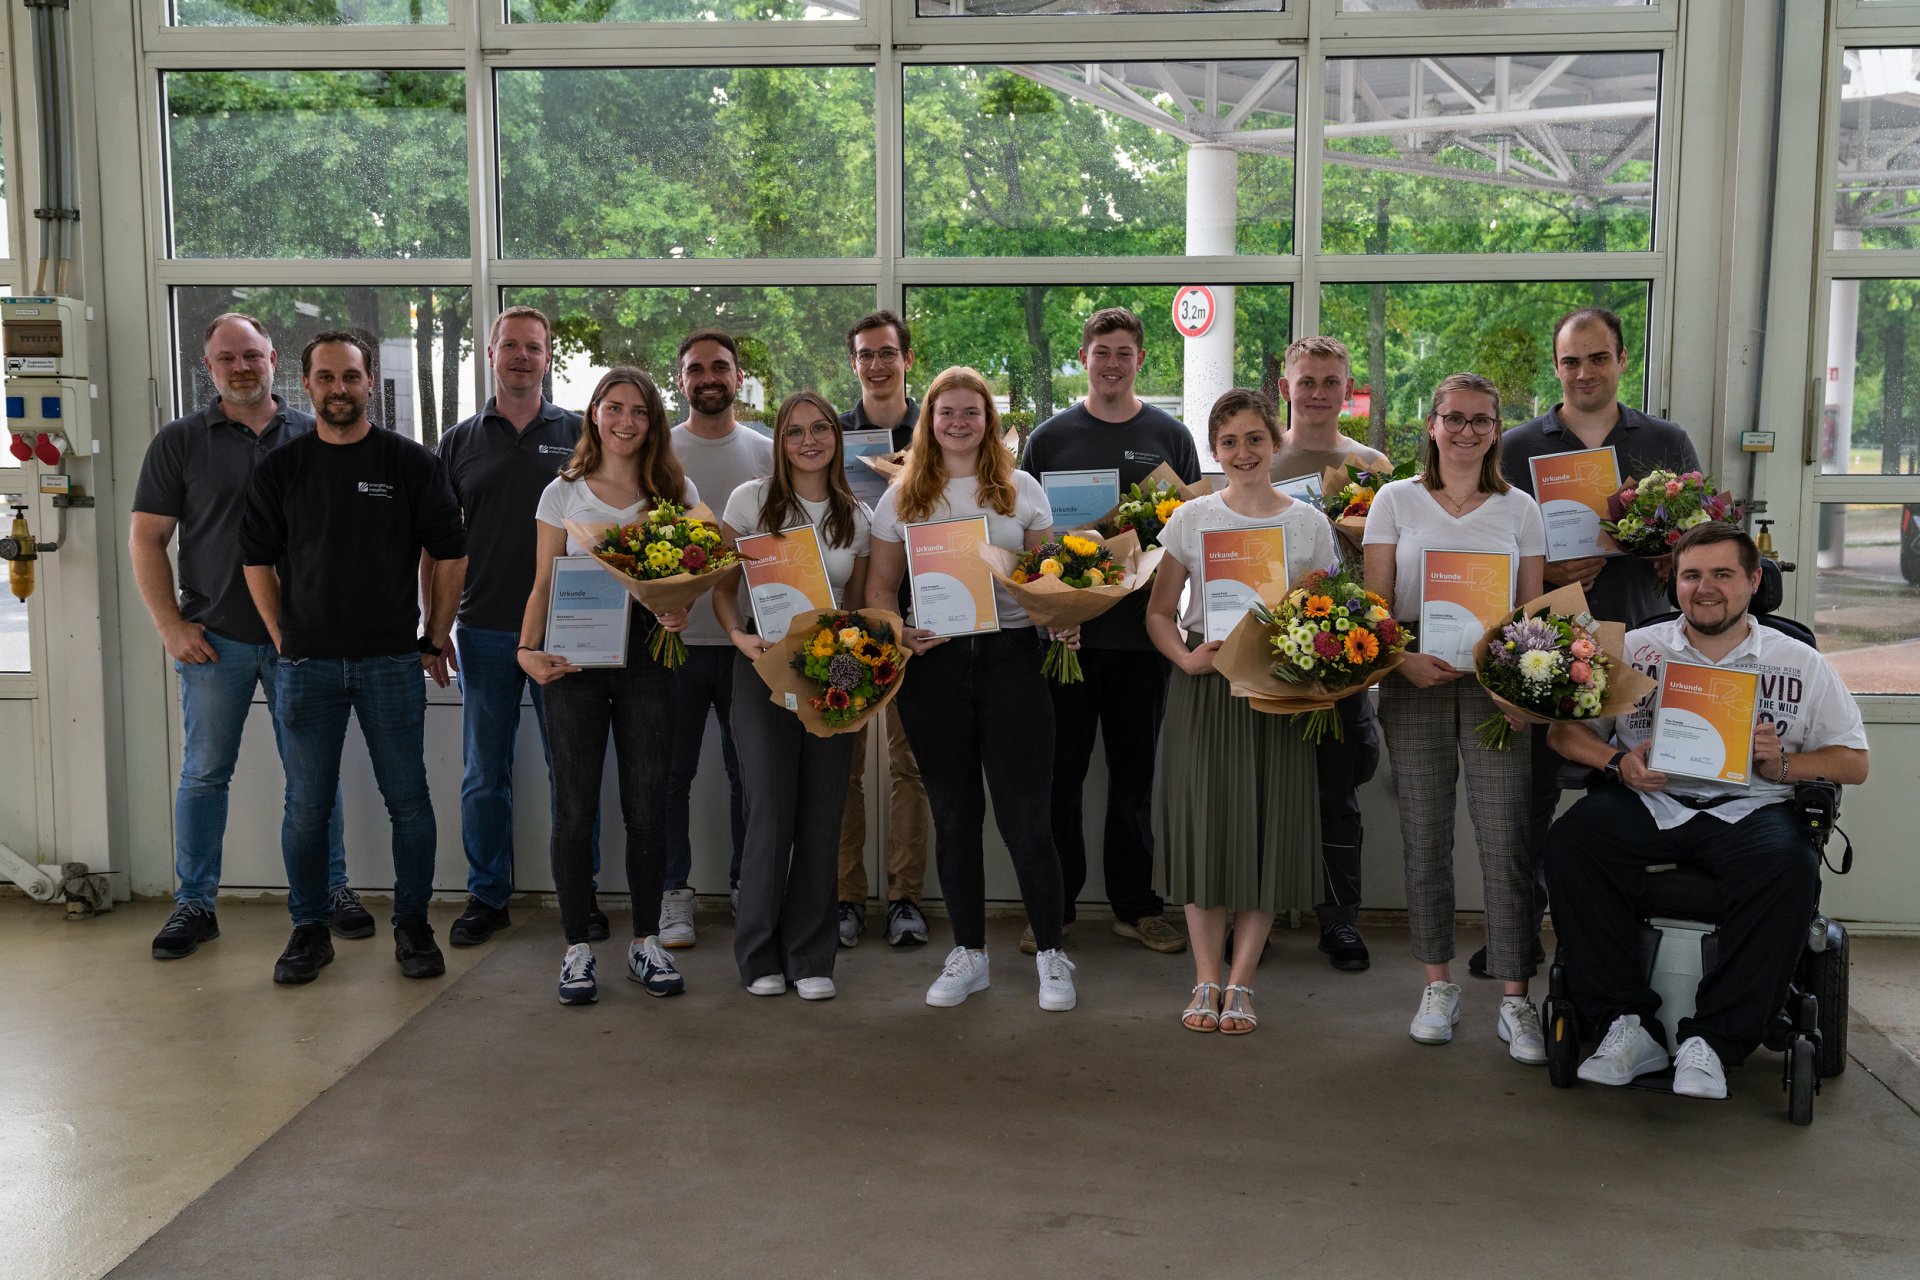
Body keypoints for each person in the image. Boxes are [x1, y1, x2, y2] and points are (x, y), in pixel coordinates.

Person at [1544, 523, 1869, 1099]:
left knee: (1790, 865)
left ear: (1753, 581)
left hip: (1751, 807)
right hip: (1652, 798)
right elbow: (1565, 734)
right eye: (1692, 575)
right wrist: (1616, 763)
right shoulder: (1636, 650)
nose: (1706, 588)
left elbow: (1853, 761)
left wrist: (1785, 767)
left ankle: (1714, 1041)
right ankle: (1625, 1023)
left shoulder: (1799, 662)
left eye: (1723, 574)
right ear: (1674, 583)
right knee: (1573, 842)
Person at [130, 312, 368, 960]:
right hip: (218, 639)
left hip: (303, 643)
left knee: (312, 777)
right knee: (205, 773)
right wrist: (169, 625)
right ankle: (195, 903)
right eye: (227, 359)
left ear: (273, 361)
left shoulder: (314, 433)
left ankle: (332, 891)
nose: (241, 367)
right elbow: (147, 539)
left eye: (252, 356)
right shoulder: (180, 442)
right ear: (209, 368)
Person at [239, 330, 468, 986]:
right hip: (306, 666)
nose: (339, 389)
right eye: (327, 378)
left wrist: (435, 632)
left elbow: (451, 552)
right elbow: (255, 558)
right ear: (307, 385)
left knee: (408, 802)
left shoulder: (410, 463)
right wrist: (283, 637)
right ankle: (309, 931)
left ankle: (413, 926)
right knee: (306, 806)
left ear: (370, 383)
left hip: (391, 662)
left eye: (351, 377)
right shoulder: (281, 468)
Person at [1491, 307, 1703, 980]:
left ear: (1620, 360)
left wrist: (1673, 556)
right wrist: (1544, 573)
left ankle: (1624, 939)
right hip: (1545, 647)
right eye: (1571, 361)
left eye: (1597, 358)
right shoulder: (1519, 446)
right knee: (1527, 806)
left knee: (1639, 791)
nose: (1584, 372)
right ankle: (1517, 940)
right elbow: (1492, 545)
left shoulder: (1665, 441)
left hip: (1641, 641)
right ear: (1557, 368)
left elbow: (1699, 537)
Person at [865, 365, 1077, 1013]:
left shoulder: (1021, 489)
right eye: (946, 412)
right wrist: (898, 630)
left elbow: (1049, 576)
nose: (958, 422)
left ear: (989, 419)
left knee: (1027, 820)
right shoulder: (902, 497)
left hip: (1013, 663)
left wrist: (1063, 616)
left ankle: (1051, 953)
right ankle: (970, 954)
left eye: (972, 412)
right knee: (955, 818)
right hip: (934, 669)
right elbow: (878, 590)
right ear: (928, 421)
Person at [1362, 372, 1547, 1061]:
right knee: (1425, 835)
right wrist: (1400, 660)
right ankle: (1436, 984)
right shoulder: (1394, 500)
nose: (1467, 431)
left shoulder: (1519, 508)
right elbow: (1375, 604)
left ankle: (1514, 997)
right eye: (1454, 418)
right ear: (1432, 426)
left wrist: (1519, 692)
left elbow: (1531, 616)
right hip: (1415, 679)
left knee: (1505, 842)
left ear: (1497, 431)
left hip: (1494, 690)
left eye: (1481, 420)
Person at [1145, 389, 1332, 1036]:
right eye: (1229, 442)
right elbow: (1159, 612)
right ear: (1214, 450)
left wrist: (1309, 650)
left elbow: (1330, 617)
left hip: (1277, 687)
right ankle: (1205, 976)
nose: (1243, 452)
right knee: (1206, 829)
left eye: (1255, 438)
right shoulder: (1193, 518)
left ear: (1275, 442)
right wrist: (1186, 660)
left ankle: (1242, 982)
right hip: (1205, 685)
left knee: (1263, 828)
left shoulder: (1309, 525)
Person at [1019, 306, 1200, 958]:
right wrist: (1049, 610)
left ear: (1140, 360)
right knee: (1059, 781)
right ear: (1085, 358)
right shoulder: (1050, 438)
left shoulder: (1169, 435)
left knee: (1134, 783)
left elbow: (1186, 532)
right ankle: (1055, 906)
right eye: (1102, 353)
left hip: (1139, 637)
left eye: (1125, 353)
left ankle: (1136, 906)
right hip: (1066, 642)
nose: (1113, 364)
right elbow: (1027, 541)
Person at [517, 368, 696, 1006]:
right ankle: (577, 949)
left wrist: (680, 611)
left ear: (653, 422)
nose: (625, 421)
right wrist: (525, 653)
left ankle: (646, 943)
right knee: (574, 810)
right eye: (613, 408)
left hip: (649, 662)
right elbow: (542, 583)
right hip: (572, 667)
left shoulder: (674, 489)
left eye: (639, 411)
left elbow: (690, 578)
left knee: (648, 811)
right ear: (594, 415)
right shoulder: (561, 493)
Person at [431, 305, 589, 950]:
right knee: (483, 773)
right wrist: (434, 629)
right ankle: (486, 896)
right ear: (490, 353)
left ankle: (580, 897)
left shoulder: (582, 435)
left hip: (570, 630)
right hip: (485, 630)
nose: (522, 356)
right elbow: (438, 546)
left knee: (570, 772)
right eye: (510, 346)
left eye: (534, 347)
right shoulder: (459, 441)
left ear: (548, 357)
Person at [713, 392, 871, 1000]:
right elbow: (723, 588)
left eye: (821, 429)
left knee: (822, 814)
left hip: (834, 679)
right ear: (778, 442)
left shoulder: (855, 513)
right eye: (795, 431)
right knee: (769, 813)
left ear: (836, 436)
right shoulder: (750, 501)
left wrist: (856, 674)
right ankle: (758, 956)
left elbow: (856, 607)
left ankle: (811, 957)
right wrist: (738, 638)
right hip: (763, 672)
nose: (809, 440)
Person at [1271, 335, 1390, 972]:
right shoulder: (1261, 459)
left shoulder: (1370, 464)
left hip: (1345, 653)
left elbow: (1387, 559)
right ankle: (1253, 916)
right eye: (1306, 381)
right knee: (1258, 789)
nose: (1318, 393)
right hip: (1267, 648)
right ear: (1285, 388)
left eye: (1330, 382)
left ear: (1348, 390)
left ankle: (1339, 919)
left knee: (1338, 793)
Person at [661, 329, 776, 945]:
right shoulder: (660, 451)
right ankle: (674, 893)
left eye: (720, 368)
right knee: (670, 778)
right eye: (696, 369)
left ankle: (745, 886)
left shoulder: (764, 453)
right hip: (673, 645)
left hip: (747, 645)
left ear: (737, 376)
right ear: (681, 379)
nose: (709, 378)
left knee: (748, 777)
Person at [835, 311, 932, 950]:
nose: (876, 365)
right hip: (842, 620)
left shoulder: (939, 431)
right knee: (842, 763)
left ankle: (904, 899)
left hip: (919, 617)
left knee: (910, 766)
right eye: (865, 356)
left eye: (886, 354)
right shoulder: (829, 435)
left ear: (907, 358)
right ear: (854, 365)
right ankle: (846, 899)